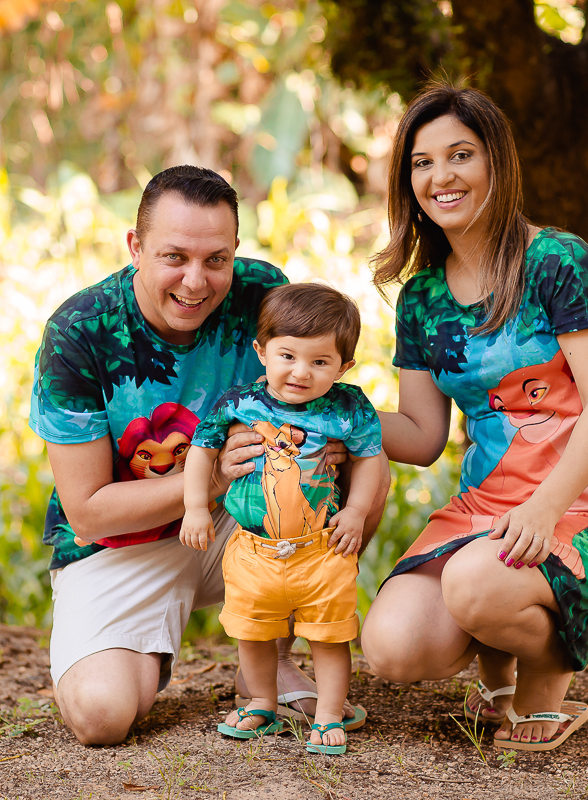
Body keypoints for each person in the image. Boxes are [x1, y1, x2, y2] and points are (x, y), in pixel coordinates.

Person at [29, 165, 383, 745]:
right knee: (101, 716)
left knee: (365, 465)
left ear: (236, 251)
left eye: (216, 259)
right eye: (174, 257)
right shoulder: (81, 332)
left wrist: (357, 437)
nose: (196, 282)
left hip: (247, 523)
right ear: (135, 247)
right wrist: (213, 477)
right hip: (126, 539)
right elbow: (88, 511)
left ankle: (265, 662)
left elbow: (322, 399)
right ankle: (143, 645)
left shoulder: (262, 294)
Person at [362, 81, 588, 751]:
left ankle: (545, 689)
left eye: (460, 155)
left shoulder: (560, 264)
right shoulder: (422, 298)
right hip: (484, 510)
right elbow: (423, 434)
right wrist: (329, 413)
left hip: (582, 510)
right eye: (422, 162)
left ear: (496, 161)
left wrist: (545, 510)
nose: (442, 177)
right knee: (393, 647)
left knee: (473, 582)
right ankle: (496, 669)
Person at [179, 283, 386, 755]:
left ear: (344, 366)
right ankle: (261, 702)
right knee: (253, 632)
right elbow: (201, 449)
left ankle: (330, 715)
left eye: (319, 362)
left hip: (322, 550)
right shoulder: (239, 402)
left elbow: (371, 457)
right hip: (253, 550)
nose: (300, 372)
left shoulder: (348, 407)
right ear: (261, 350)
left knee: (329, 635)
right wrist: (195, 506)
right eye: (287, 356)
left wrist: (355, 510)